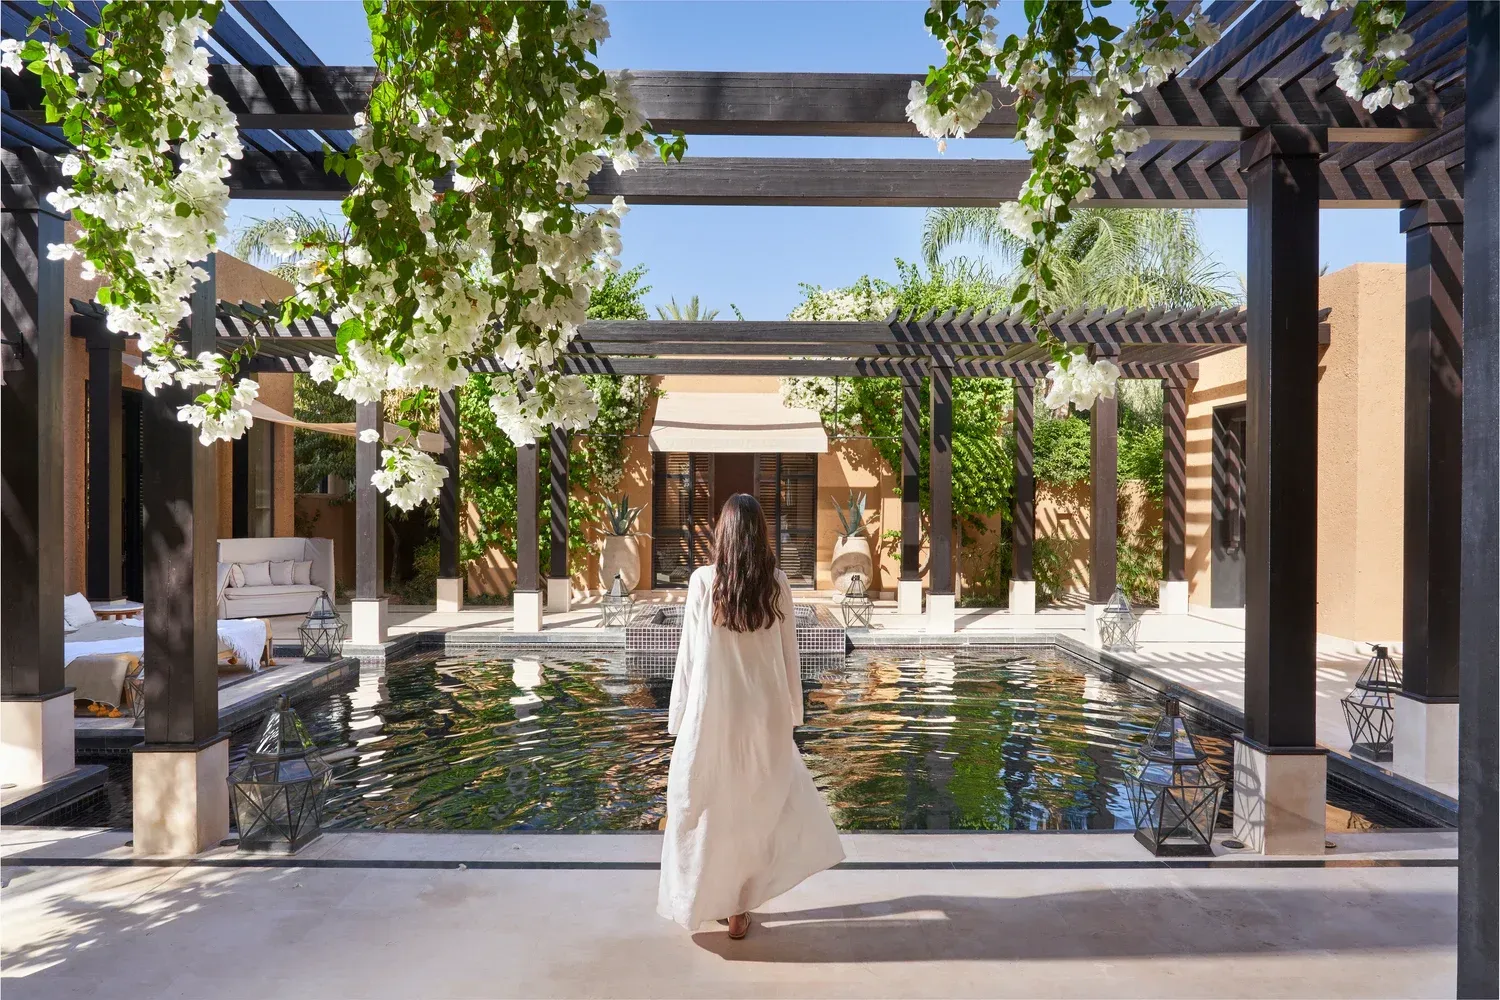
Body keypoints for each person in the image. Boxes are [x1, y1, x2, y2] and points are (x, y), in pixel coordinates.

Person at [657, 493, 845, 939]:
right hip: (763, 713)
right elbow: (789, 656)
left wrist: (678, 718)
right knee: (754, 806)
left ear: (722, 532)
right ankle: (739, 907)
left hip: (715, 711)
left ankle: (714, 899)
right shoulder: (776, 582)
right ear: (760, 534)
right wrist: (793, 714)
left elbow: (688, 658)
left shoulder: (704, 581)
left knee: (706, 806)